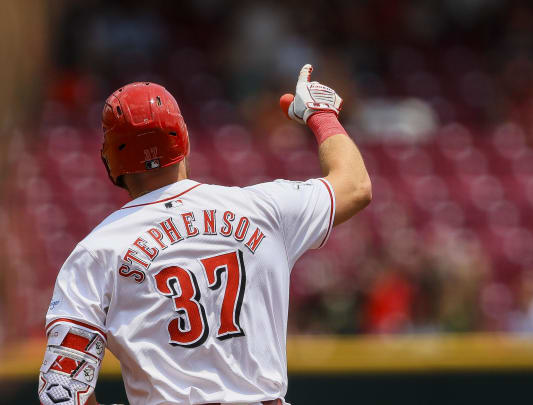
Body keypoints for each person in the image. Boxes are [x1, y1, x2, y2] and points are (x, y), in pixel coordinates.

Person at [38, 64, 371, 405]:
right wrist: (322, 115)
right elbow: (356, 186)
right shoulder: (263, 209)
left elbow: (62, 391)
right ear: (183, 138)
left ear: (110, 160)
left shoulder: (96, 251)